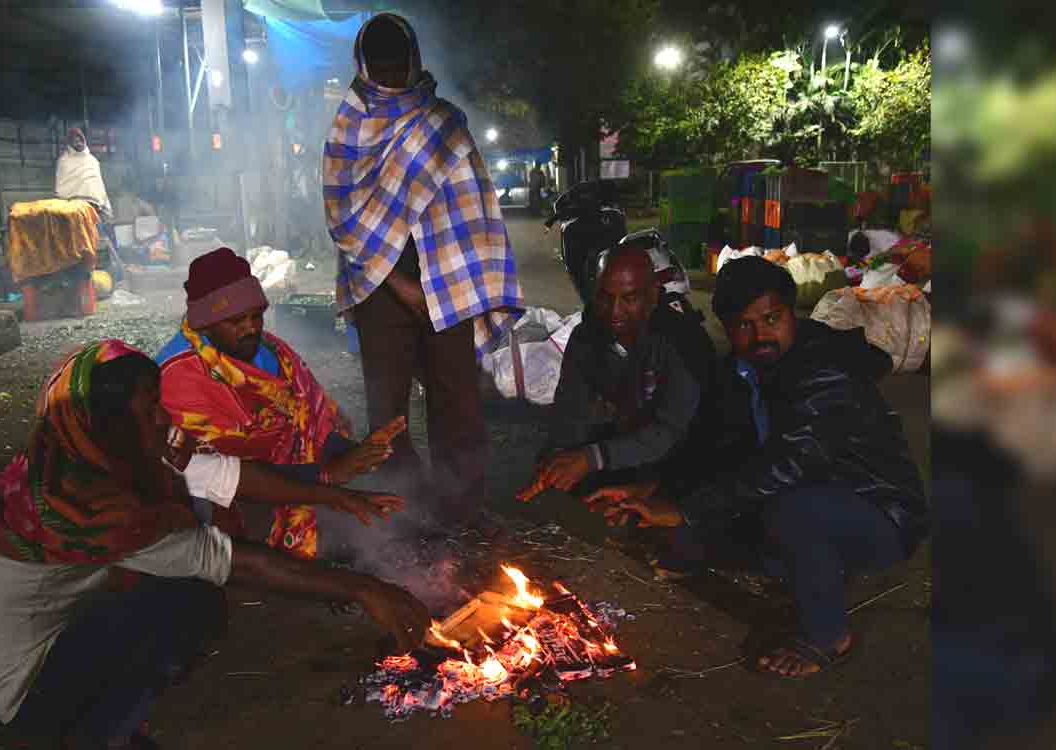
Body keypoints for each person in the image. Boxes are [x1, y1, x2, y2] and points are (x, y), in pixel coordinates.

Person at [0, 340, 430, 750]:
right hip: (24, 687)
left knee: (178, 586)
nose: (165, 419)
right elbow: (226, 559)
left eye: (157, 402)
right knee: (189, 603)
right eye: (150, 410)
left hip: (64, 626)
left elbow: (226, 475)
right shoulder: (85, 505)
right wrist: (365, 589)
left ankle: (102, 719)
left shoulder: (86, 444)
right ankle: (96, 736)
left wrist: (333, 493)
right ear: (110, 425)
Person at [584, 257, 929, 678]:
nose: (761, 334)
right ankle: (802, 563)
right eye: (744, 325)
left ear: (792, 313)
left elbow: (788, 465)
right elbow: (717, 448)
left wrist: (683, 510)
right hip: (818, 496)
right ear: (726, 326)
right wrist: (654, 490)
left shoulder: (824, 371)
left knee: (786, 508)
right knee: (713, 510)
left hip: (881, 513)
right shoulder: (740, 369)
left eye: (772, 318)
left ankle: (828, 636)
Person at [323, 13, 523, 532]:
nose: (390, 79)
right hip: (378, 284)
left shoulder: (444, 120)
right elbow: (343, 216)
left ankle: (460, 506)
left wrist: (444, 289)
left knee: (456, 396)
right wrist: (401, 286)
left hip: (448, 278)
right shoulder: (349, 125)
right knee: (387, 409)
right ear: (363, 67)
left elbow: (471, 208)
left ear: (414, 62)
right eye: (380, 69)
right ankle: (404, 507)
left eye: (397, 67)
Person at [156, 248, 405, 559]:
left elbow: (311, 421)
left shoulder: (273, 352)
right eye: (236, 320)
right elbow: (221, 475)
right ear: (206, 322)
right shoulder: (180, 377)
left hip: (297, 480)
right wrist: (325, 476)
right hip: (224, 499)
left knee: (372, 521)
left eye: (256, 315)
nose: (252, 328)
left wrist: (350, 451)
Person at [517, 239, 715, 500]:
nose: (615, 311)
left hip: (691, 448)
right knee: (577, 475)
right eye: (605, 298)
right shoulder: (586, 337)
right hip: (635, 439)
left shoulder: (682, 341)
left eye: (629, 298)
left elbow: (671, 429)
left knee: (694, 477)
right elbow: (571, 410)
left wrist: (592, 458)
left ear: (654, 295)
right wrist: (556, 458)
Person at [55, 127, 122, 276]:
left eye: (79, 138)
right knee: (81, 246)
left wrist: (103, 206)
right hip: (75, 211)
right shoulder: (64, 161)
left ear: (84, 140)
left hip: (95, 209)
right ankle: (84, 276)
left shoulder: (92, 161)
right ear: (70, 143)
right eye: (74, 140)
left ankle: (108, 274)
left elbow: (98, 186)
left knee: (102, 242)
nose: (77, 142)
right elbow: (62, 188)